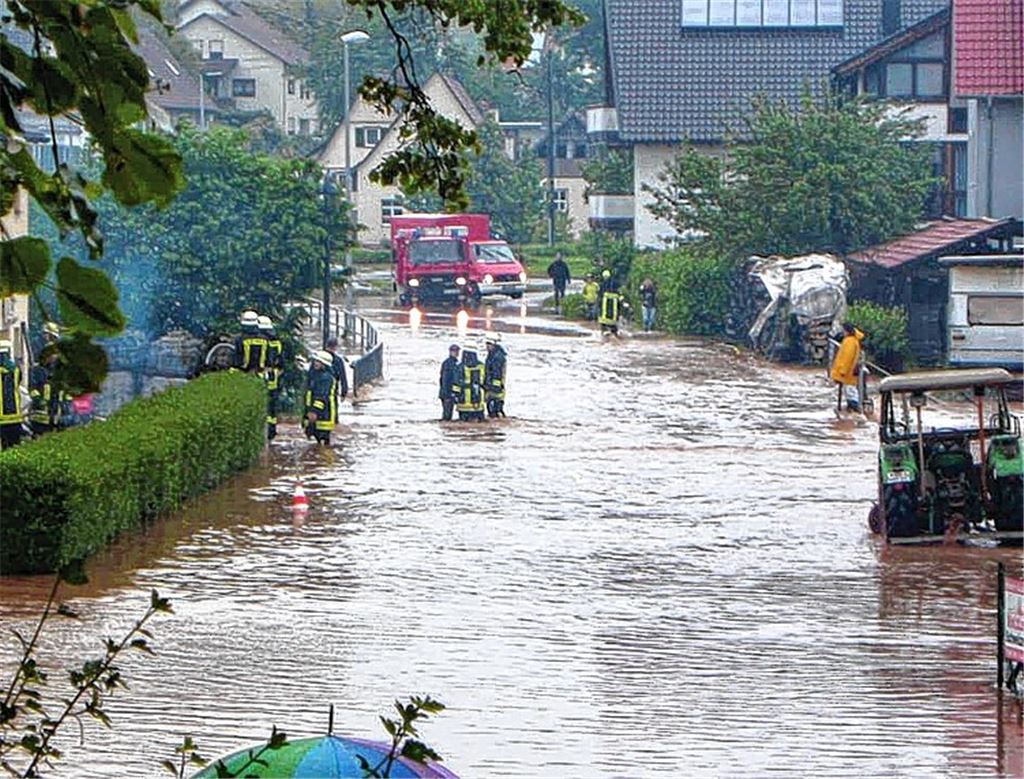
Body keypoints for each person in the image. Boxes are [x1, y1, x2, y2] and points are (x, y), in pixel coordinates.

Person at [29, 350, 68, 435]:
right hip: (40, 413)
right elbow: (32, 389)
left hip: (56, 413)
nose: (54, 358)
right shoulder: (37, 371)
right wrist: (39, 400)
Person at [304, 350, 337, 445]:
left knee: (322, 440)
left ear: (324, 364)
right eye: (315, 361)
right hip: (315, 412)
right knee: (316, 441)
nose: (316, 363)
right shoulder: (316, 375)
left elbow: (322, 396)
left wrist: (314, 411)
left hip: (323, 413)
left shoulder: (326, 378)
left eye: (318, 361)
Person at [830, 322, 866, 412]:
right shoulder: (852, 340)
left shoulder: (849, 342)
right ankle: (853, 407)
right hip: (849, 371)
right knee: (849, 389)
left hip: (848, 371)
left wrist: (842, 371)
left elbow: (847, 357)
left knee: (850, 390)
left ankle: (855, 407)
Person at [258, 315, 283, 440]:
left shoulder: (262, 342)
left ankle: (265, 432)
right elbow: (281, 362)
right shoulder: (277, 342)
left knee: (264, 405)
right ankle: (271, 430)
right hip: (274, 378)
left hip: (263, 376)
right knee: (272, 406)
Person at [0, 339, 24, 449]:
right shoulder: (16, 369)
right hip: (15, 414)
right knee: (14, 446)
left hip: (1, 417)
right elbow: (18, 382)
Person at [456, 341, 486, 422]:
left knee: (463, 426)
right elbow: (485, 381)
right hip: (478, 402)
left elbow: (456, 383)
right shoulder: (481, 365)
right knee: (480, 425)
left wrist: (455, 396)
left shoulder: (460, 366)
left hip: (464, 403)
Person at [484, 333, 507, 419]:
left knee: (496, 410)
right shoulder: (491, 355)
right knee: (492, 410)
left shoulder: (498, 357)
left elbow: (497, 373)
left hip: (496, 389)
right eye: (486, 344)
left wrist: (494, 387)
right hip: (491, 387)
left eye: (489, 344)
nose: (487, 346)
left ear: (494, 344)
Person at [438, 343, 461, 421]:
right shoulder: (448, 363)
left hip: (450, 393)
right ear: (450, 352)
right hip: (447, 393)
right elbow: (445, 379)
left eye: (457, 351)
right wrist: (447, 393)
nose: (456, 353)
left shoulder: (456, 363)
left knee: (448, 414)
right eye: (454, 351)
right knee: (447, 415)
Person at [598, 269, 622, 336]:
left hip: (607, 306)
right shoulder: (616, 283)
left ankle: (606, 331)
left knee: (605, 319)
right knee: (613, 319)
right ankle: (613, 331)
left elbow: (600, 294)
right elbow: (619, 293)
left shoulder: (603, 284)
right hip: (613, 306)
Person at [324, 337, 349, 403]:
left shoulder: (318, 358)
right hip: (333, 392)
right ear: (336, 347)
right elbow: (343, 378)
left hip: (318, 392)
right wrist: (344, 393)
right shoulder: (338, 360)